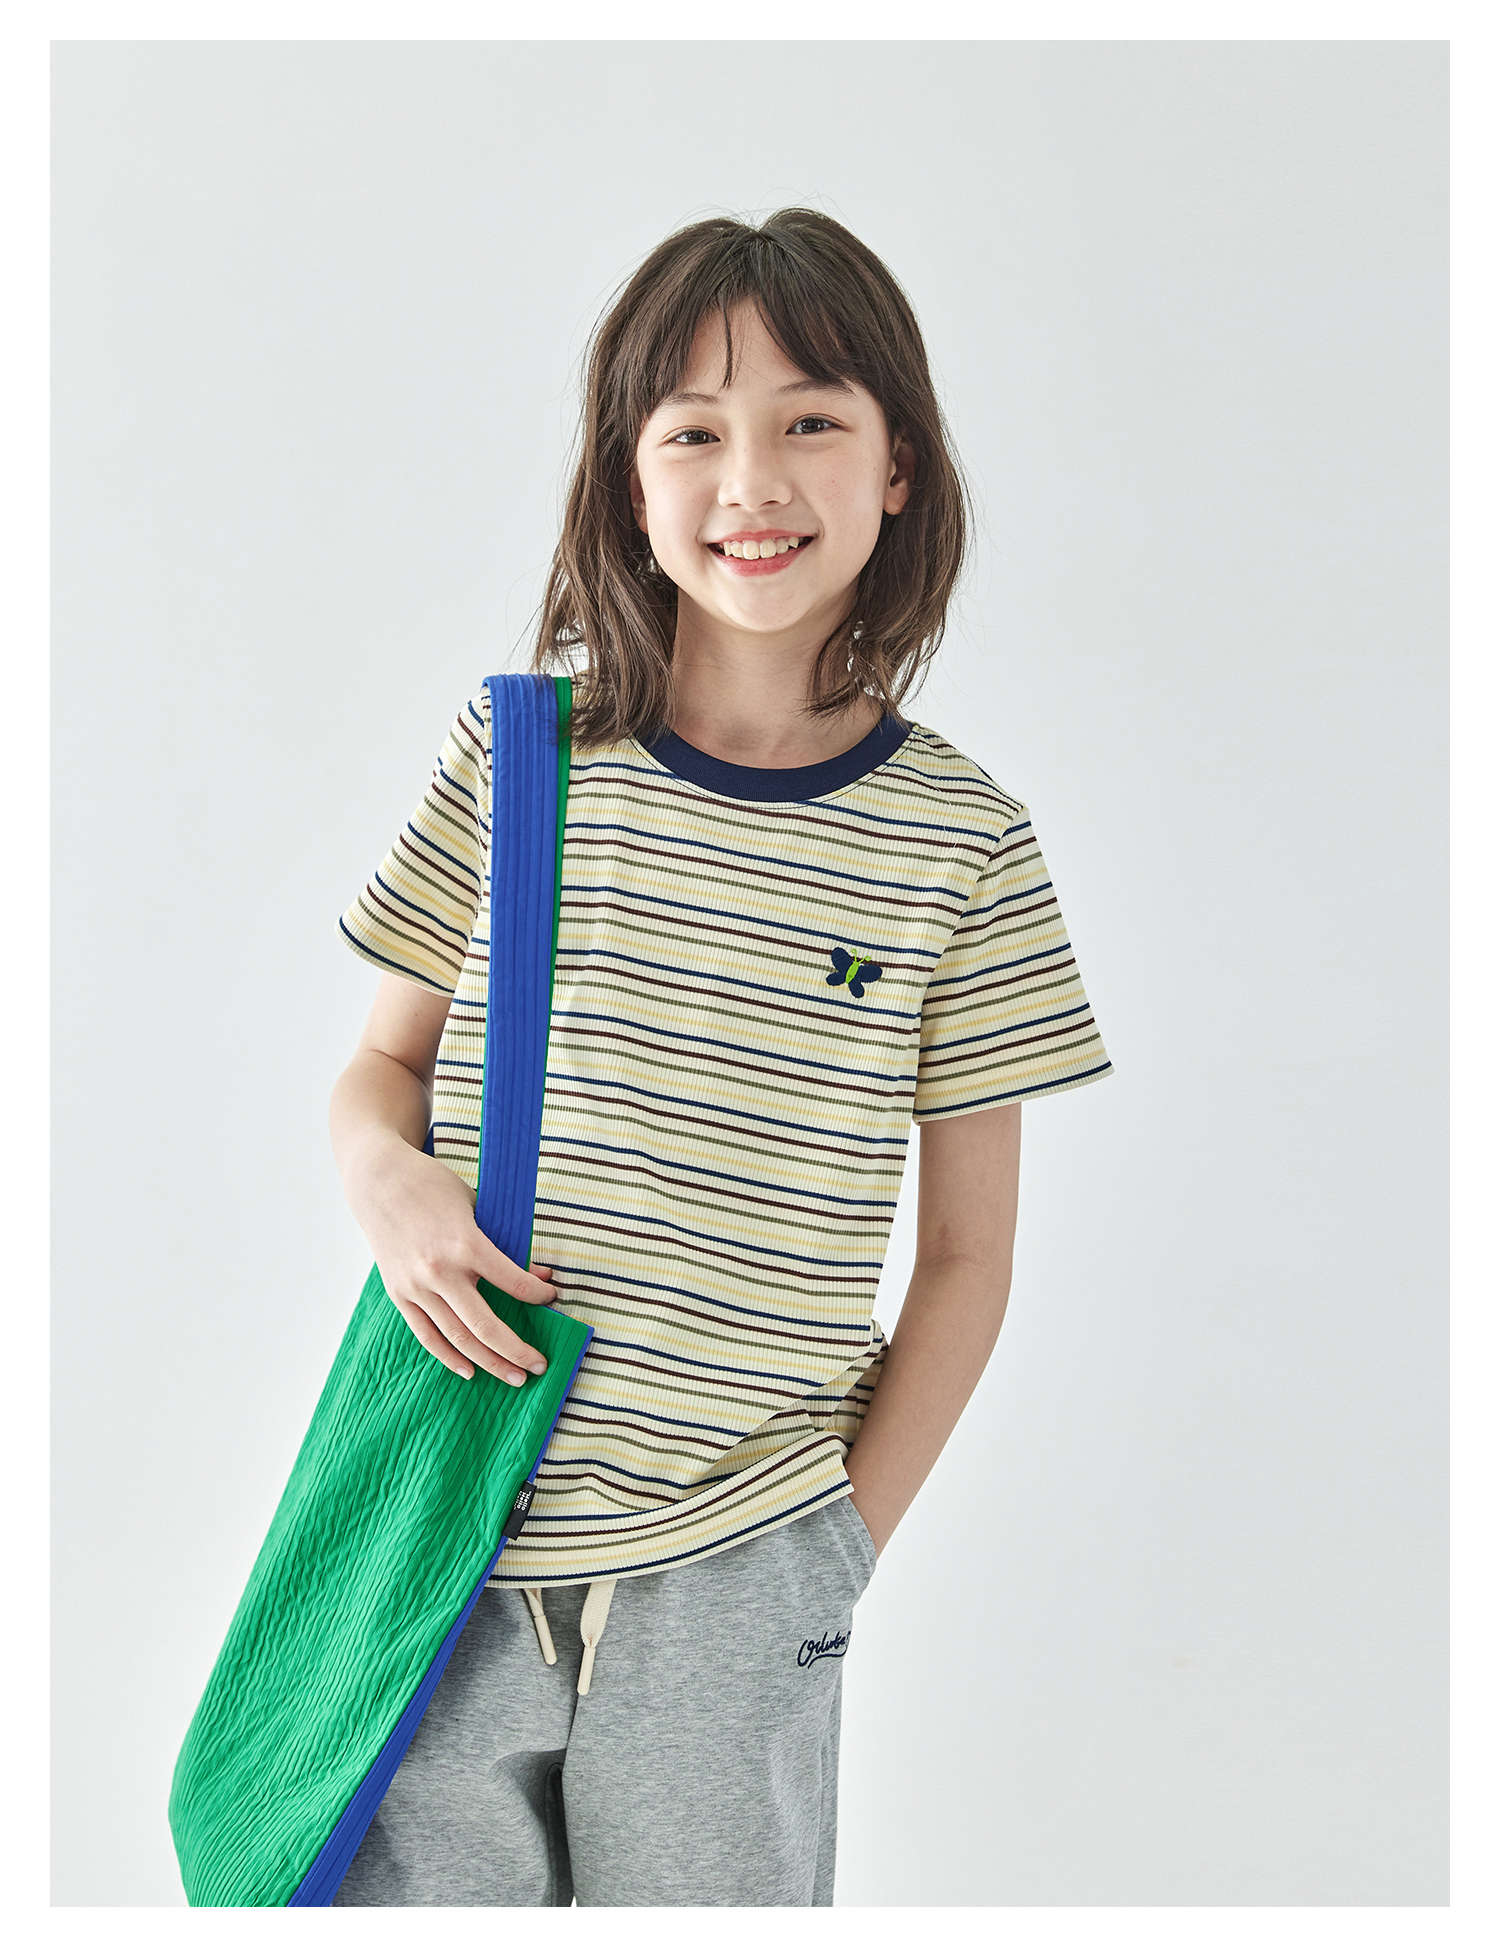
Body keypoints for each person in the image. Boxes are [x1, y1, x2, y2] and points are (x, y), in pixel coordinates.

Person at [326, 208, 1115, 1908]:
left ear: (897, 466)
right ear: (632, 485)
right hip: (447, 1528)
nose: (752, 479)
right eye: (693, 432)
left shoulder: (963, 843)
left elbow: (968, 1256)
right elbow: (379, 1071)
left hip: (745, 1550)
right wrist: (388, 1185)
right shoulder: (522, 760)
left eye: (810, 419)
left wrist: (837, 1548)